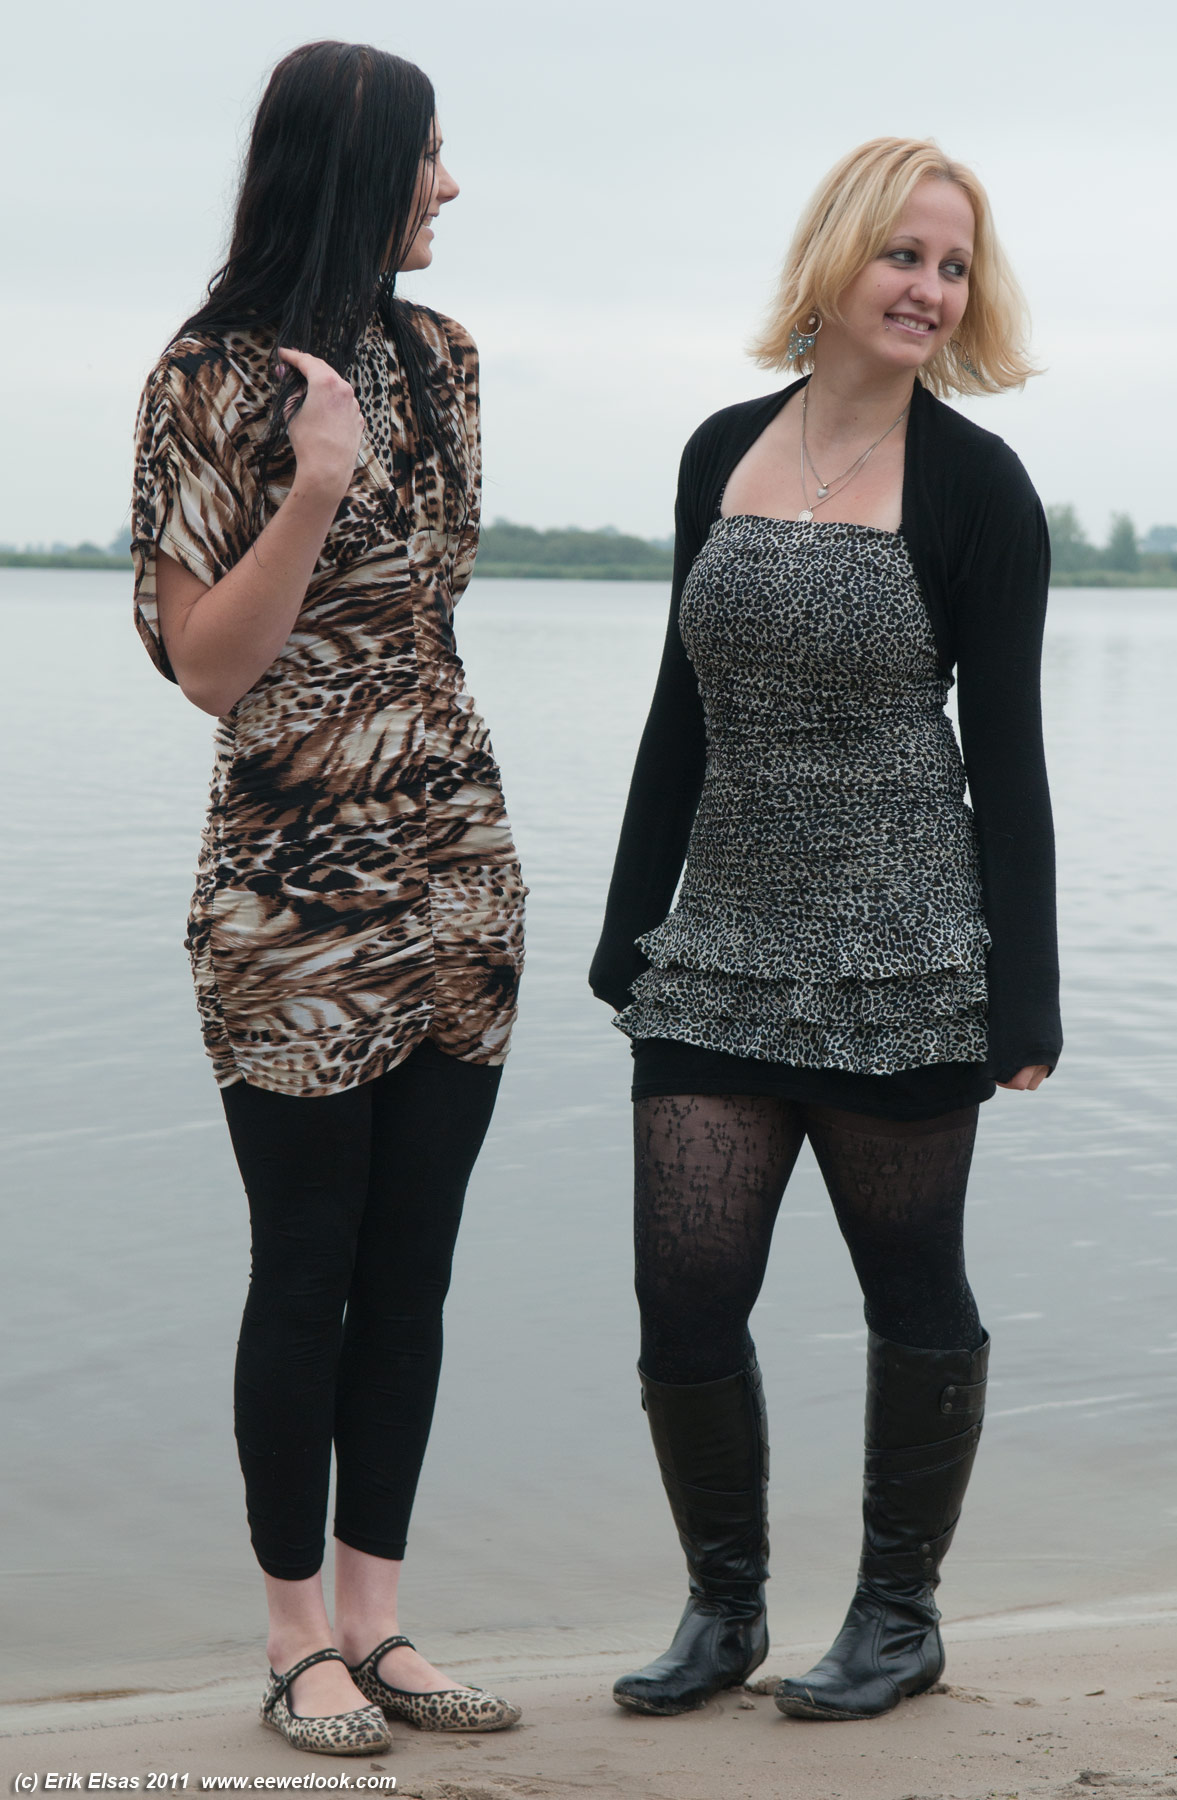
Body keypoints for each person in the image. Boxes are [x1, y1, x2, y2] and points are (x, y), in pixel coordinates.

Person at [589, 137, 1060, 1723]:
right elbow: (680, 706)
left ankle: (898, 1618)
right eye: (903, 255)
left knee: (911, 1290)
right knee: (683, 1294)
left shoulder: (981, 487)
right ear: (837, 260)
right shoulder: (720, 448)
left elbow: (1009, 753)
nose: (929, 288)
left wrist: (1027, 992)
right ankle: (723, 1611)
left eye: (953, 266)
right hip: (717, 942)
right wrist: (631, 921)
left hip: (906, 948)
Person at [131, 41, 526, 1757]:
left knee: (414, 1265)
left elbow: (428, 611)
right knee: (307, 1262)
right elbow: (209, 670)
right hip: (290, 887)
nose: (450, 185)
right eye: (430, 156)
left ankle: (379, 1621)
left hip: (457, 864)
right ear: (358, 166)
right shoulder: (205, 377)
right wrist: (312, 482)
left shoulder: (447, 357)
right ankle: (295, 1640)